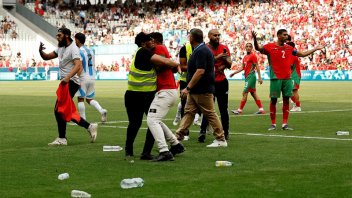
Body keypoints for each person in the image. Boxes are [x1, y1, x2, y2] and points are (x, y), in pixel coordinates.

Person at [252, 29, 325, 130]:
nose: (287, 36)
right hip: (275, 78)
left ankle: (284, 124)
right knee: (273, 101)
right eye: (284, 35)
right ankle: (273, 124)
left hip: (287, 78)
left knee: (286, 100)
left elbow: (302, 54)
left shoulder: (289, 48)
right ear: (278, 36)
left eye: (287, 35)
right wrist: (255, 39)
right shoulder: (270, 46)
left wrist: (315, 48)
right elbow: (258, 48)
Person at [125, 32, 180, 160]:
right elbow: (166, 61)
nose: (153, 42)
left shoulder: (145, 53)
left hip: (142, 94)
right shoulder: (143, 52)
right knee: (139, 123)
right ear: (144, 43)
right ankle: (137, 151)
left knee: (147, 122)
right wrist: (175, 64)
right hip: (137, 95)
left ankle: (140, 152)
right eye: (150, 40)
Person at [39, 27, 98, 145]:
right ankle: (89, 126)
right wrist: (40, 51)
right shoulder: (61, 48)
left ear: (66, 35)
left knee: (58, 110)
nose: (57, 37)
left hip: (71, 82)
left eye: (59, 35)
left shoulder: (74, 48)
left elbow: (78, 65)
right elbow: (47, 57)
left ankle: (62, 138)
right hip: (66, 82)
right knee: (64, 111)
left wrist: (68, 77)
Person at [175, 28, 227, 148]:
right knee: (188, 113)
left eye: (189, 36)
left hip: (202, 89)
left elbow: (200, 71)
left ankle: (221, 138)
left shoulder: (201, 51)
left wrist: (187, 88)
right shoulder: (201, 50)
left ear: (192, 38)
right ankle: (178, 136)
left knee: (210, 114)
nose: (188, 38)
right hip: (197, 90)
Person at [146, 32, 185, 161]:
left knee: (152, 120)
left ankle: (164, 151)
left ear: (154, 40)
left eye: (150, 40)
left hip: (165, 90)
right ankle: (176, 144)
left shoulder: (159, 48)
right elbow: (172, 66)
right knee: (156, 119)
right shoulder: (162, 49)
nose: (148, 42)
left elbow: (164, 64)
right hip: (168, 89)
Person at [198, 29, 232, 142]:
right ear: (209, 36)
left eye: (219, 35)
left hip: (222, 82)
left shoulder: (224, 47)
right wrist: (219, 57)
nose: (217, 37)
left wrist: (225, 61)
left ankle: (226, 132)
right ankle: (202, 131)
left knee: (223, 108)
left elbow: (230, 64)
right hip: (208, 82)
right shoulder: (205, 48)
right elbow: (206, 63)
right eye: (215, 35)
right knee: (208, 108)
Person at [74, 33, 108, 122]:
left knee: (80, 99)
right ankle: (101, 110)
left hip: (83, 77)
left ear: (77, 40)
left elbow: (79, 66)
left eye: (75, 39)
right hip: (92, 77)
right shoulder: (91, 50)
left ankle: (83, 120)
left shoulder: (78, 51)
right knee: (89, 99)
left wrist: (77, 78)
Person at [229, 43, 265, 115]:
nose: (248, 48)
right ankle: (261, 109)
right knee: (253, 93)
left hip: (251, 76)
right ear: (245, 48)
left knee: (244, 92)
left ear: (252, 48)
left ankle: (239, 110)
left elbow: (257, 66)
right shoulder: (245, 57)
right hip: (247, 77)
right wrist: (234, 73)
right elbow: (242, 67)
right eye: (247, 46)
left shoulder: (253, 56)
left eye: (250, 46)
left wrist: (260, 77)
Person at [286, 36, 302, 112]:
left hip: (294, 75)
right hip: (294, 75)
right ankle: (296, 105)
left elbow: (290, 66)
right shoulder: (292, 55)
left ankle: (297, 106)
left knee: (293, 91)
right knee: (291, 91)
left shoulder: (292, 55)